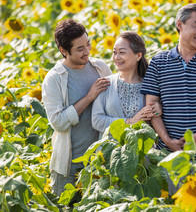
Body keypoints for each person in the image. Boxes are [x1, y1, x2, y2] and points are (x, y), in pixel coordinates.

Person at [141, 3, 196, 181]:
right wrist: (167, 140)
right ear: (179, 25)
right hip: (168, 156)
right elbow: (151, 106)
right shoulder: (159, 62)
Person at [42, 19, 112, 196]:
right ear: (64, 51)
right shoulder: (54, 79)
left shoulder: (100, 68)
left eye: (88, 44)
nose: (87, 52)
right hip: (69, 166)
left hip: (99, 163)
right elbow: (58, 123)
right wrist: (89, 97)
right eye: (80, 49)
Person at [92, 31, 161, 136]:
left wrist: (159, 109)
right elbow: (96, 121)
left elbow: (156, 119)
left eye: (122, 52)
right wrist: (128, 122)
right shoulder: (105, 83)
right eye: (114, 52)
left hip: (140, 149)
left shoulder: (150, 86)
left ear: (138, 56)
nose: (116, 57)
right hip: (110, 150)